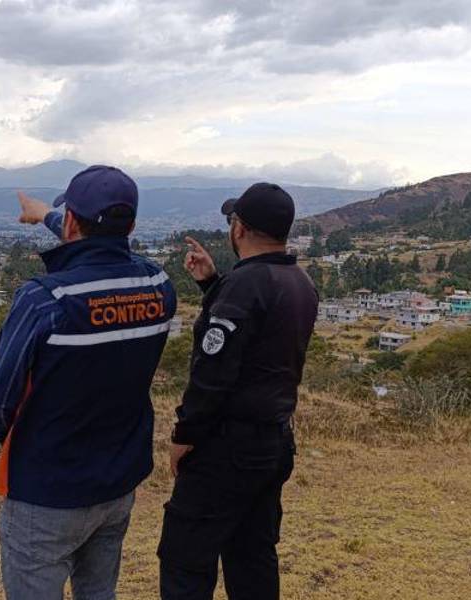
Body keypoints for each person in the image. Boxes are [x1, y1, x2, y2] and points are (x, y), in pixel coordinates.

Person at [0, 165, 178, 600]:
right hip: (117, 483)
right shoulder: (158, 286)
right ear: (132, 226)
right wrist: (44, 215)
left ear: (70, 221)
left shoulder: (43, 300)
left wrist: (29, 444)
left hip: (46, 489)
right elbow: (103, 253)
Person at [157, 183, 319, 600]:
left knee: (185, 560)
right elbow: (257, 340)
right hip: (272, 443)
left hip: (225, 450)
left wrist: (184, 435)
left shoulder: (244, 286)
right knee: (252, 557)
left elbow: (213, 374)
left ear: (240, 229)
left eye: (233, 220)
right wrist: (212, 283)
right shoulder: (299, 281)